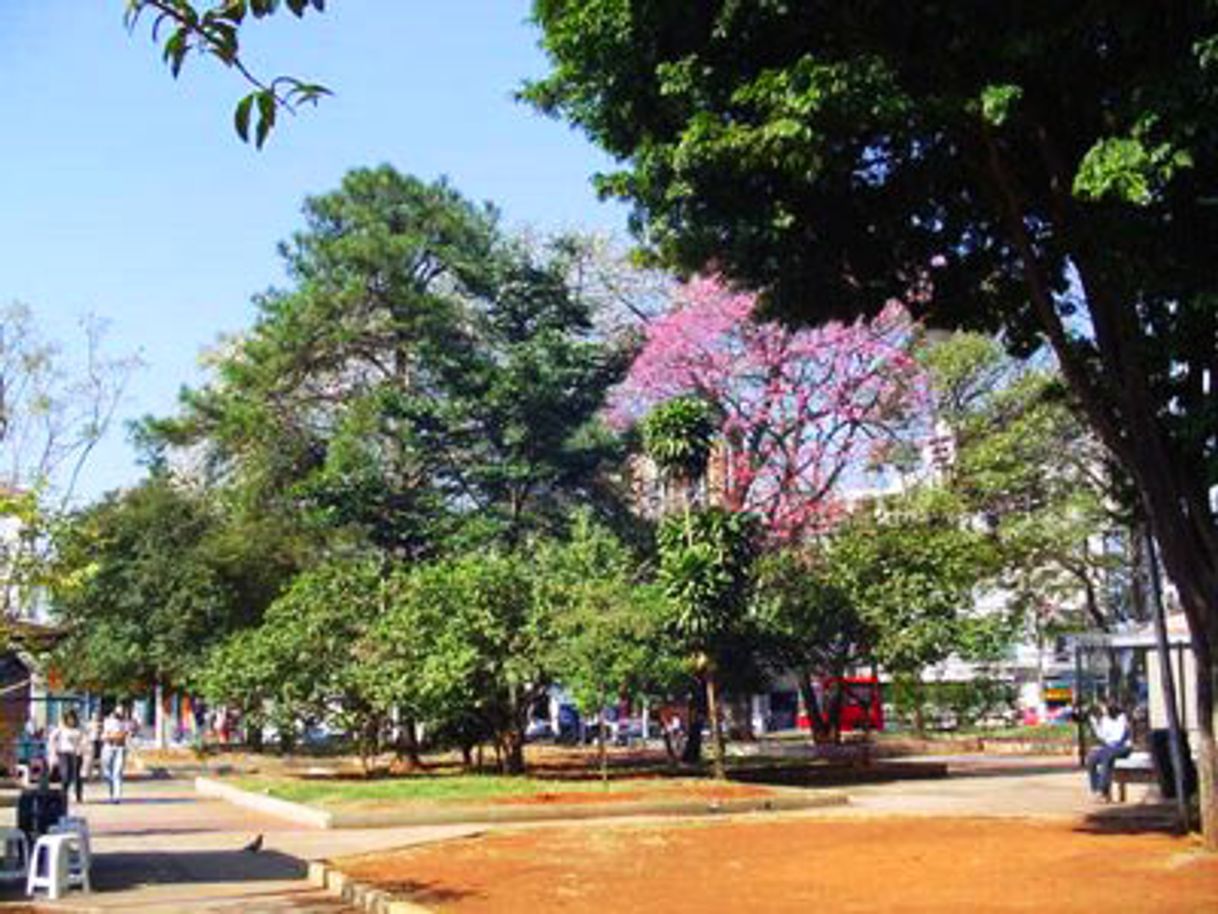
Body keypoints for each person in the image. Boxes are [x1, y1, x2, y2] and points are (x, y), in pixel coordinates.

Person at [1086, 702, 1132, 800]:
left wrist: (1108, 747)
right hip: (1109, 748)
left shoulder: (1122, 718)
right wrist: (1095, 724)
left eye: (1105, 710)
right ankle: (1095, 789)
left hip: (1123, 747)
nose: (1104, 712)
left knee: (1106, 756)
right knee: (1091, 758)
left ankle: (1103, 790)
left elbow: (1119, 737)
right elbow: (1102, 736)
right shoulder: (1104, 719)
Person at [48, 709, 85, 808]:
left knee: (77, 775)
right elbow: (51, 738)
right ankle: (63, 794)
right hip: (64, 753)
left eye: (72, 719)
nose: (71, 721)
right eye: (69, 719)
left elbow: (84, 740)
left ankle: (78, 796)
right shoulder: (61, 728)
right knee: (66, 775)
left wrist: (81, 749)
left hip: (76, 754)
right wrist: (54, 751)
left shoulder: (79, 729)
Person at [100, 706, 131, 803]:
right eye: (119, 712)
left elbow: (124, 735)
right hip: (108, 747)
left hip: (120, 748)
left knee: (117, 773)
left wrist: (115, 735)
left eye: (122, 712)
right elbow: (106, 735)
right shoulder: (108, 721)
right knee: (107, 771)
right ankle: (112, 792)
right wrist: (113, 735)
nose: (120, 714)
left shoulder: (126, 723)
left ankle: (116, 797)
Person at [86, 709, 104, 781]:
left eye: (96, 716)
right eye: (94, 716)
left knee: (100, 759)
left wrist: (100, 730)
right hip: (91, 741)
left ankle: (100, 775)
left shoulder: (101, 724)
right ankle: (90, 776)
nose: (95, 717)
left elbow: (103, 732)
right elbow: (86, 733)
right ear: (91, 717)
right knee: (91, 759)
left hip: (99, 742)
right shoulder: (89, 724)